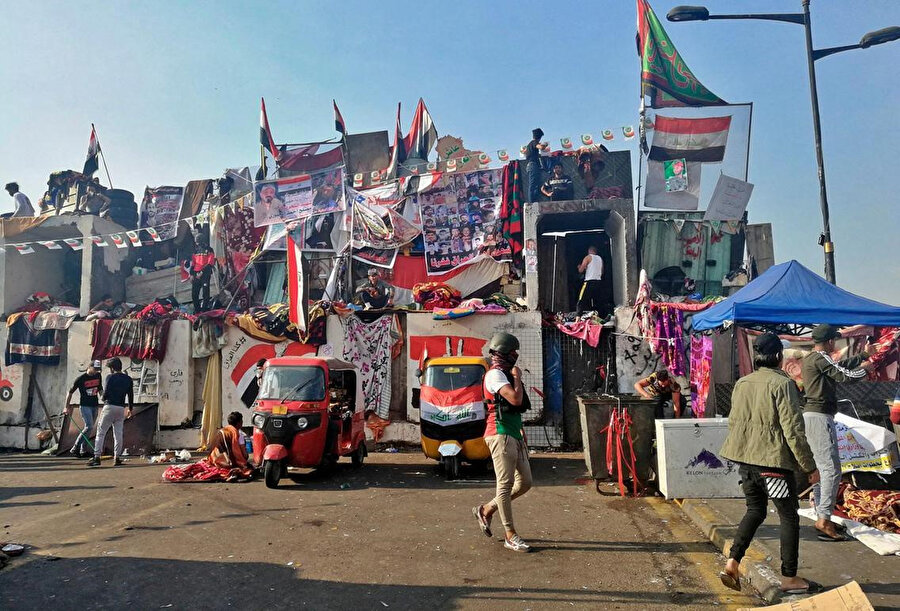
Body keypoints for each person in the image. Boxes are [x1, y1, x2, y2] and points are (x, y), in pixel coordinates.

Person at [718, 332, 820, 595]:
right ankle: (789, 578)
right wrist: (809, 466)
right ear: (778, 357)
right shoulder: (782, 384)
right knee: (788, 516)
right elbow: (793, 430)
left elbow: (735, 422)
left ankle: (732, 562)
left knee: (755, 510)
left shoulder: (742, 383)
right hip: (772, 464)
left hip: (746, 463)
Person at [801, 323, 873, 541]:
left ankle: (822, 514)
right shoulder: (821, 358)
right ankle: (824, 518)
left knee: (823, 468)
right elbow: (845, 375)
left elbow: (838, 367)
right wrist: (867, 368)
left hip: (813, 416)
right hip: (820, 417)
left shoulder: (812, 359)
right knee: (831, 469)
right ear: (830, 341)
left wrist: (862, 356)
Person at [472, 332, 533, 553]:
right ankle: (510, 535)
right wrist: (517, 378)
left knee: (525, 482)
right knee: (505, 485)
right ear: (504, 353)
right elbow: (514, 399)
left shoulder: (505, 373)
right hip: (499, 432)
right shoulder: (495, 375)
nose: (516, 356)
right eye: (513, 352)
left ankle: (486, 509)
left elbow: (516, 407)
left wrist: (520, 431)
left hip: (513, 432)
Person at [163, 412, 254, 482]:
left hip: (213, 459)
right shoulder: (238, 434)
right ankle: (230, 472)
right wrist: (244, 460)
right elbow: (241, 453)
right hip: (227, 462)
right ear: (239, 423)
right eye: (241, 421)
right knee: (247, 469)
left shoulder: (222, 431)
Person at [87, 357, 134, 467]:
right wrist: (130, 409)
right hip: (121, 408)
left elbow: (106, 392)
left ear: (112, 368)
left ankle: (97, 457)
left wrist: (102, 397)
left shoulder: (110, 377)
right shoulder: (128, 379)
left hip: (109, 406)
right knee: (118, 434)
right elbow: (131, 395)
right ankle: (117, 458)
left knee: (101, 432)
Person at [65, 360, 104, 458]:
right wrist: (66, 407)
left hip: (95, 404)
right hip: (85, 405)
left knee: (89, 429)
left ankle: (83, 450)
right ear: (89, 367)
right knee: (89, 426)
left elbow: (100, 388)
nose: (96, 371)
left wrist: (104, 398)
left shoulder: (98, 376)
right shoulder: (81, 379)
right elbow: (70, 392)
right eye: (95, 369)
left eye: (98, 370)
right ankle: (75, 447)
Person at [189, 235, 216, 312]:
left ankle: (204, 310)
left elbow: (210, 263)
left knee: (205, 294)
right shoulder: (196, 250)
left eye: (197, 241)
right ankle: (197, 310)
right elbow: (193, 264)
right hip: (196, 274)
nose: (196, 243)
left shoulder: (209, 250)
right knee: (194, 294)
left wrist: (201, 272)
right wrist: (191, 274)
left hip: (205, 274)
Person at [576, 246, 604, 315]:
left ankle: (578, 317)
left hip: (589, 282)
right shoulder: (600, 259)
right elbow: (602, 271)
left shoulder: (588, 257)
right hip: (598, 281)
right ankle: (601, 316)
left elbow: (581, 270)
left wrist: (579, 267)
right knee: (598, 301)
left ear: (589, 251)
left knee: (581, 299)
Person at [524, 128, 549, 202]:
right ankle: (532, 203)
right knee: (533, 186)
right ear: (540, 137)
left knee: (535, 185)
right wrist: (545, 144)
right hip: (533, 166)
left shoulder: (530, 146)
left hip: (532, 166)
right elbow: (541, 147)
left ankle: (534, 201)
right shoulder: (534, 142)